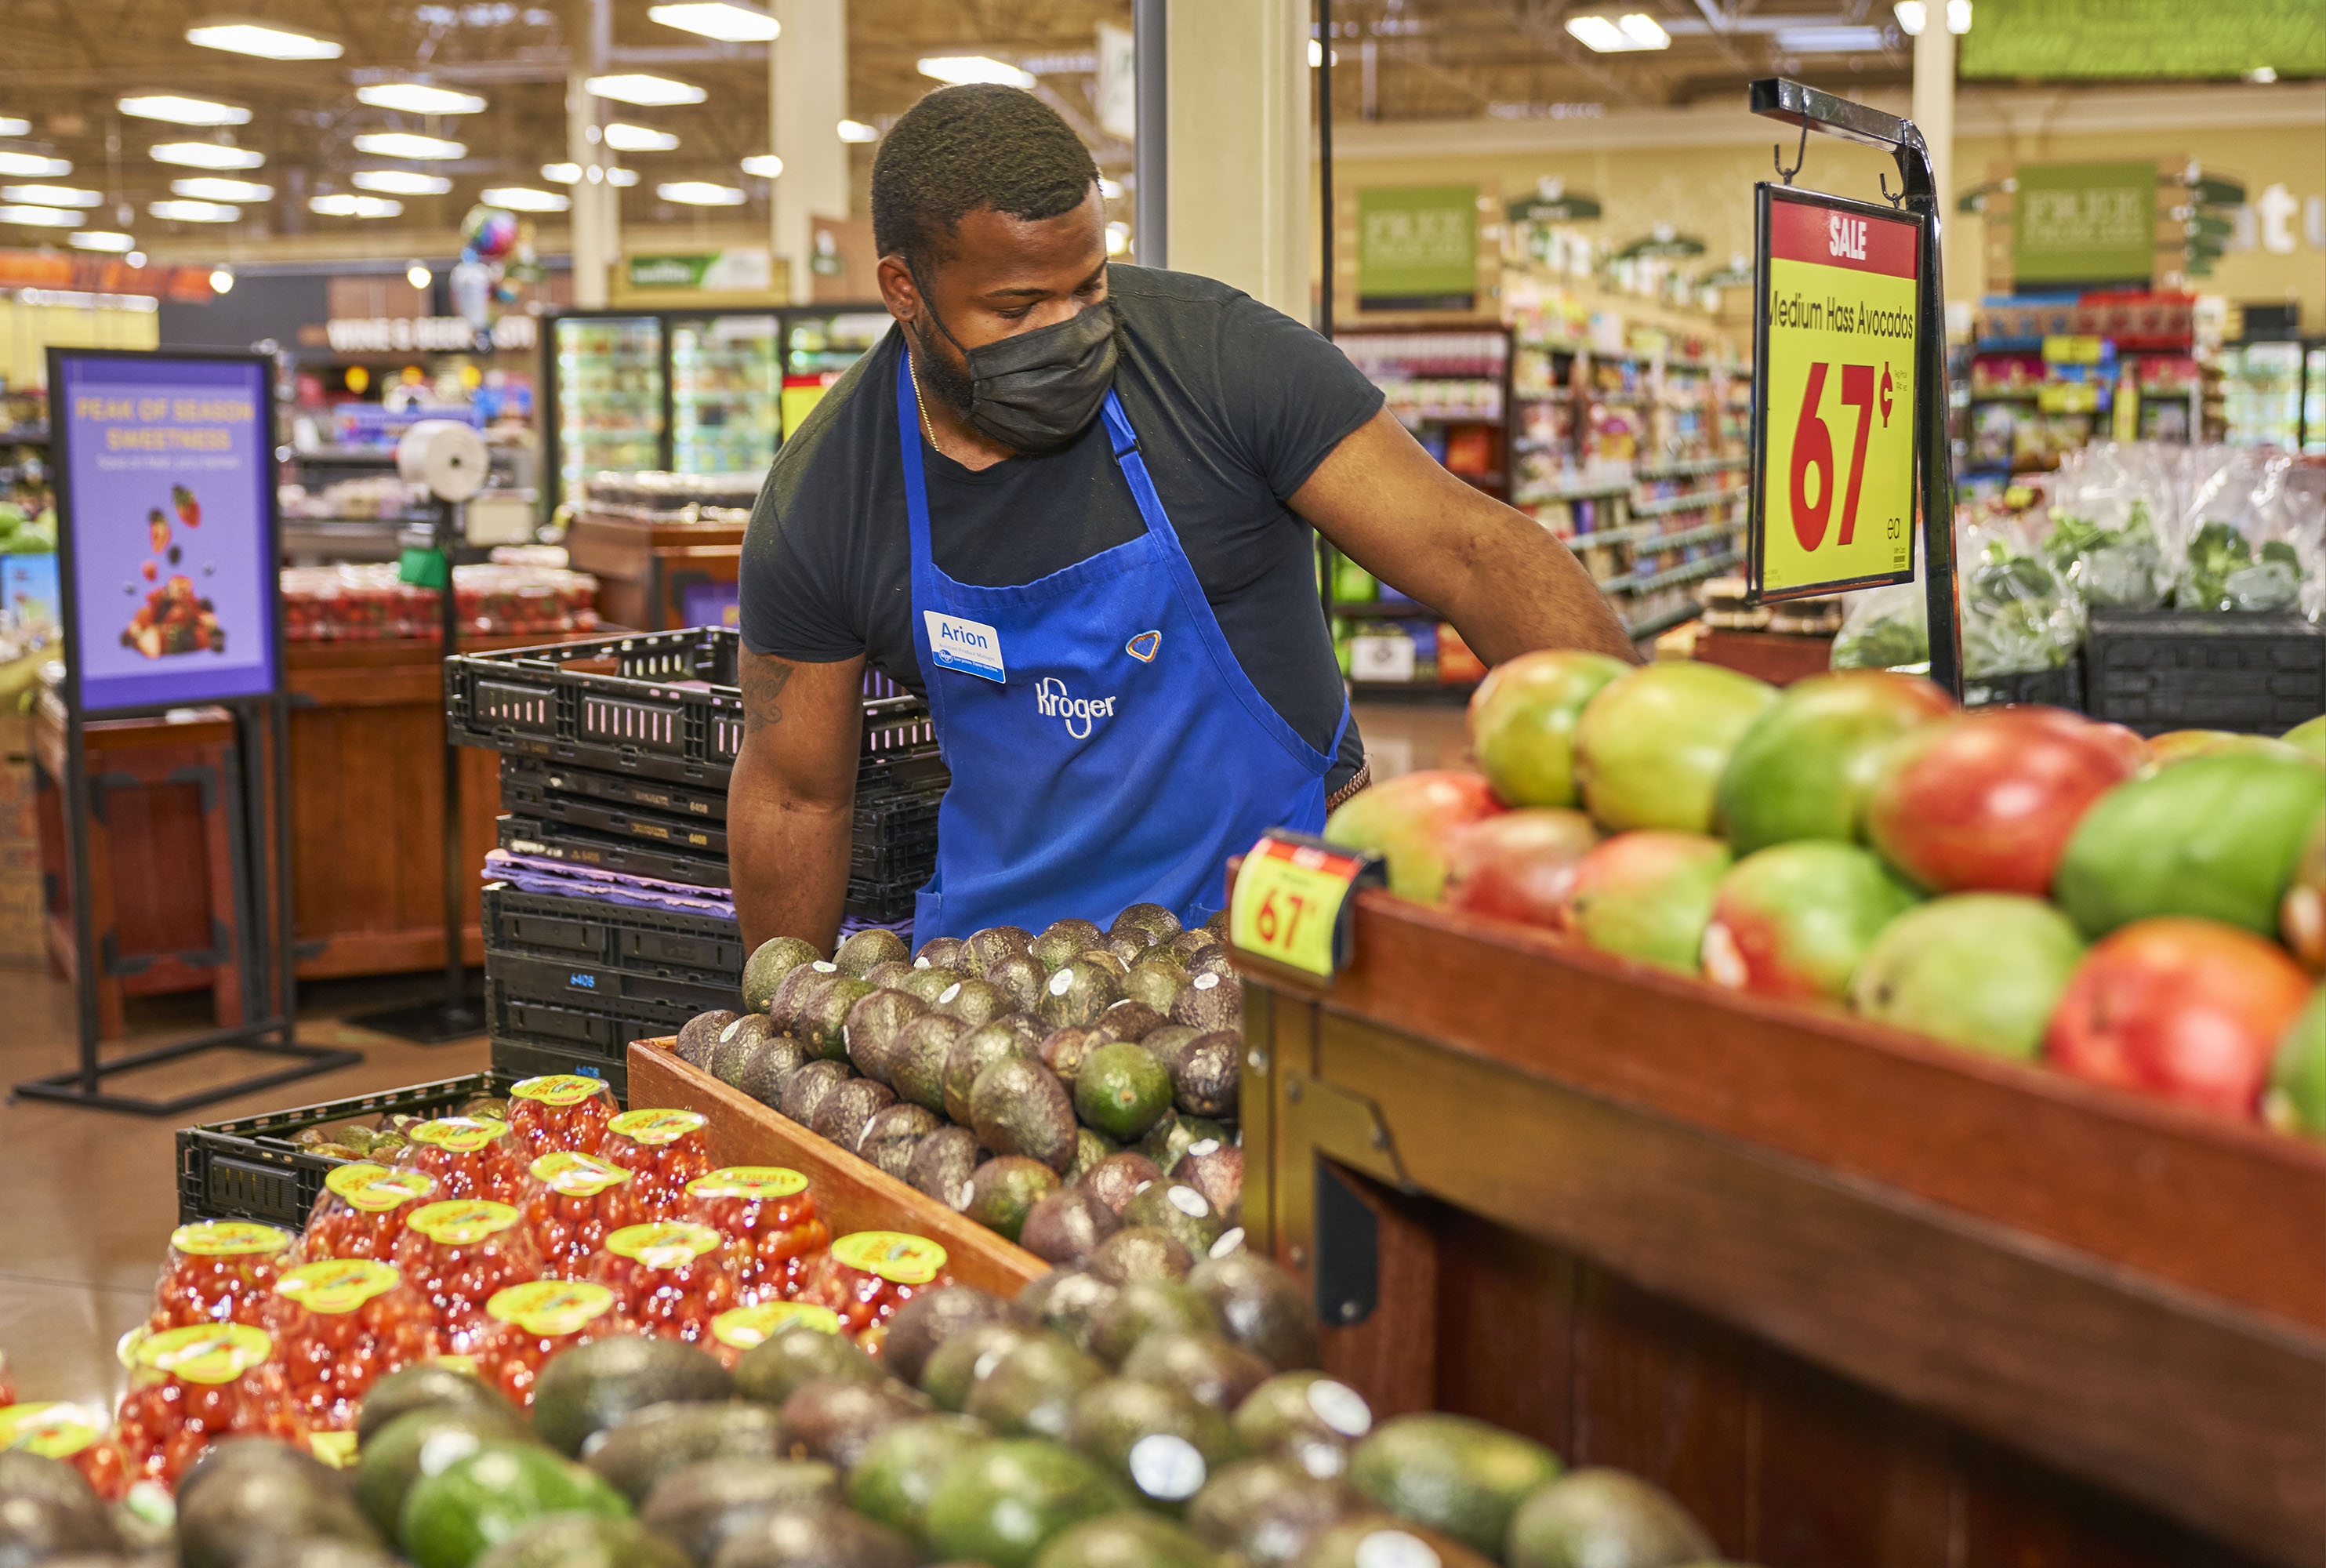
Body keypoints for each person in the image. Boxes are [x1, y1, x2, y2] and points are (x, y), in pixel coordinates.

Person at [733, 84, 1634, 954]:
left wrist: (1639, 795)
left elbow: (1473, 551)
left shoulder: (1219, 359)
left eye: (1088, 287)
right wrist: (774, 1026)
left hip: (1278, 911)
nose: (1070, 328)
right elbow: (793, 795)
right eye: (1018, 308)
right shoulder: (828, 495)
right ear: (904, 289)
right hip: (1005, 972)